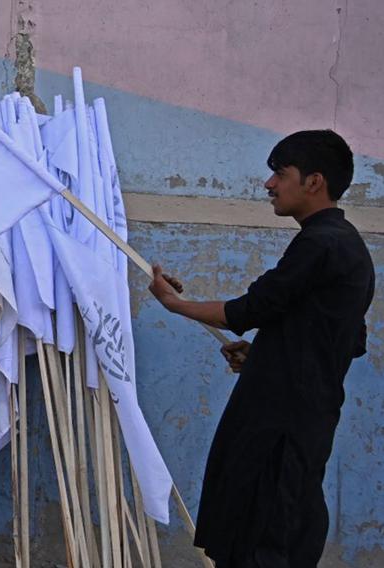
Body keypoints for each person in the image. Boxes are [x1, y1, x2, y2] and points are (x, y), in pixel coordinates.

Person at [148, 130, 374, 567]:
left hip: (280, 424)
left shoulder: (319, 243)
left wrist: (174, 304)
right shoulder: (348, 246)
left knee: (264, 535)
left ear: (314, 181)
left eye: (280, 174)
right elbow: (342, 340)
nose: (269, 184)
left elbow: (252, 309)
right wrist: (266, 357)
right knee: (282, 527)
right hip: (305, 419)